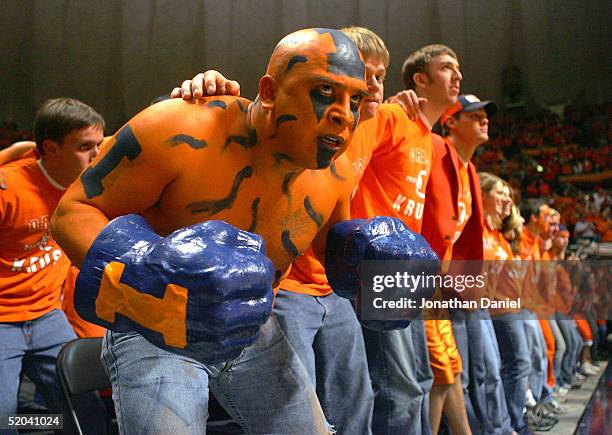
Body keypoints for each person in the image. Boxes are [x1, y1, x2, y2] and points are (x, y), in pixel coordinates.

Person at [51, 28, 436, 434]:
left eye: (354, 99)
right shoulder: (182, 128)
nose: (343, 113)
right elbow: (72, 212)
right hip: (156, 325)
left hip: (253, 325)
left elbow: (328, 242)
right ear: (269, 92)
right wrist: (148, 273)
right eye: (325, 91)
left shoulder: (334, 168)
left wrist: (369, 263)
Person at [0, 98, 106, 434]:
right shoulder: (9, 187)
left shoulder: (87, 182)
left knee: (89, 416)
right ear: (51, 148)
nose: (96, 156)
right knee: (6, 422)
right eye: (85, 147)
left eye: (99, 145)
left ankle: (43, 424)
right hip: (2, 322)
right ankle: (32, 424)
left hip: (47, 317)